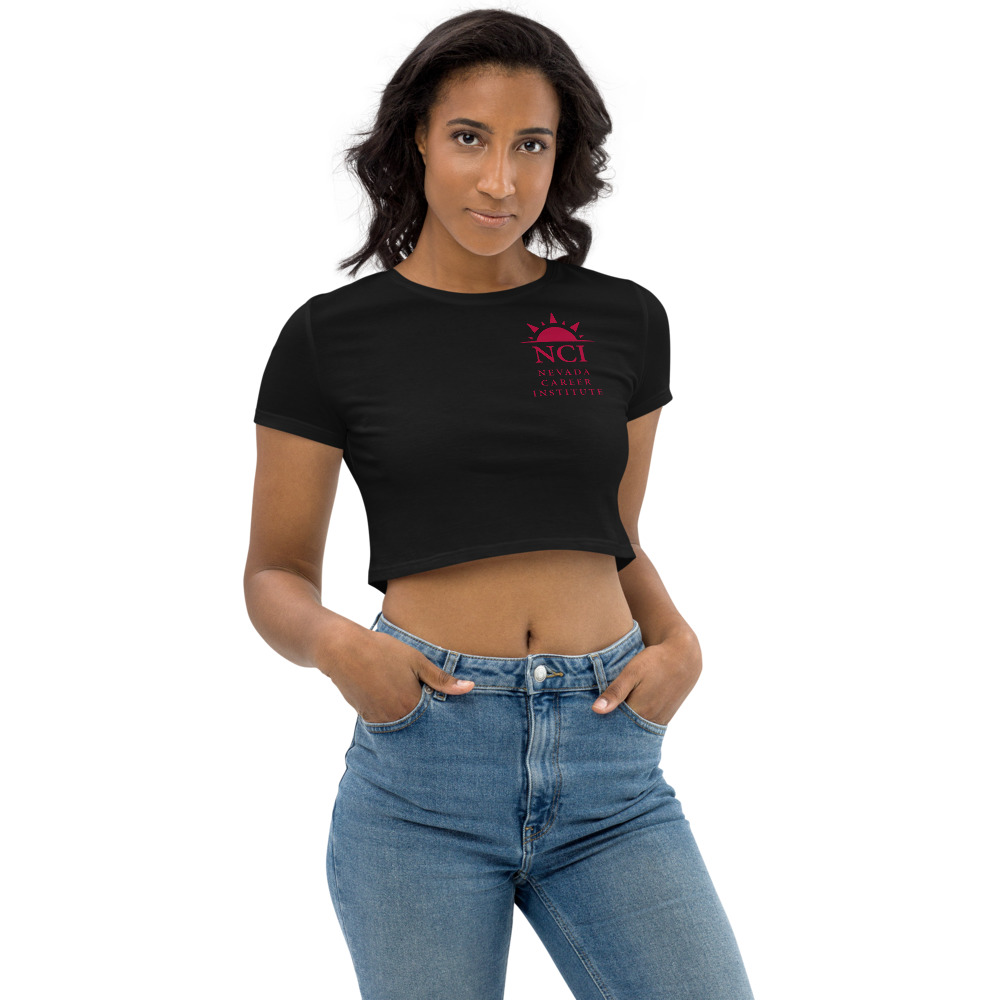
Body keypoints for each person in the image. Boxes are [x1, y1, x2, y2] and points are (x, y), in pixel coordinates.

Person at [244, 8, 756, 999]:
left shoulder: (623, 319)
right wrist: (344, 650)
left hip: (611, 770)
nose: (501, 181)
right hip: (424, 776)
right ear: (417, 141)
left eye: (532, 145)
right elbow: (273, 573)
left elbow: (613, 534)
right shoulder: (329, 338)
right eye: (470, 138)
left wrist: (681, 644)